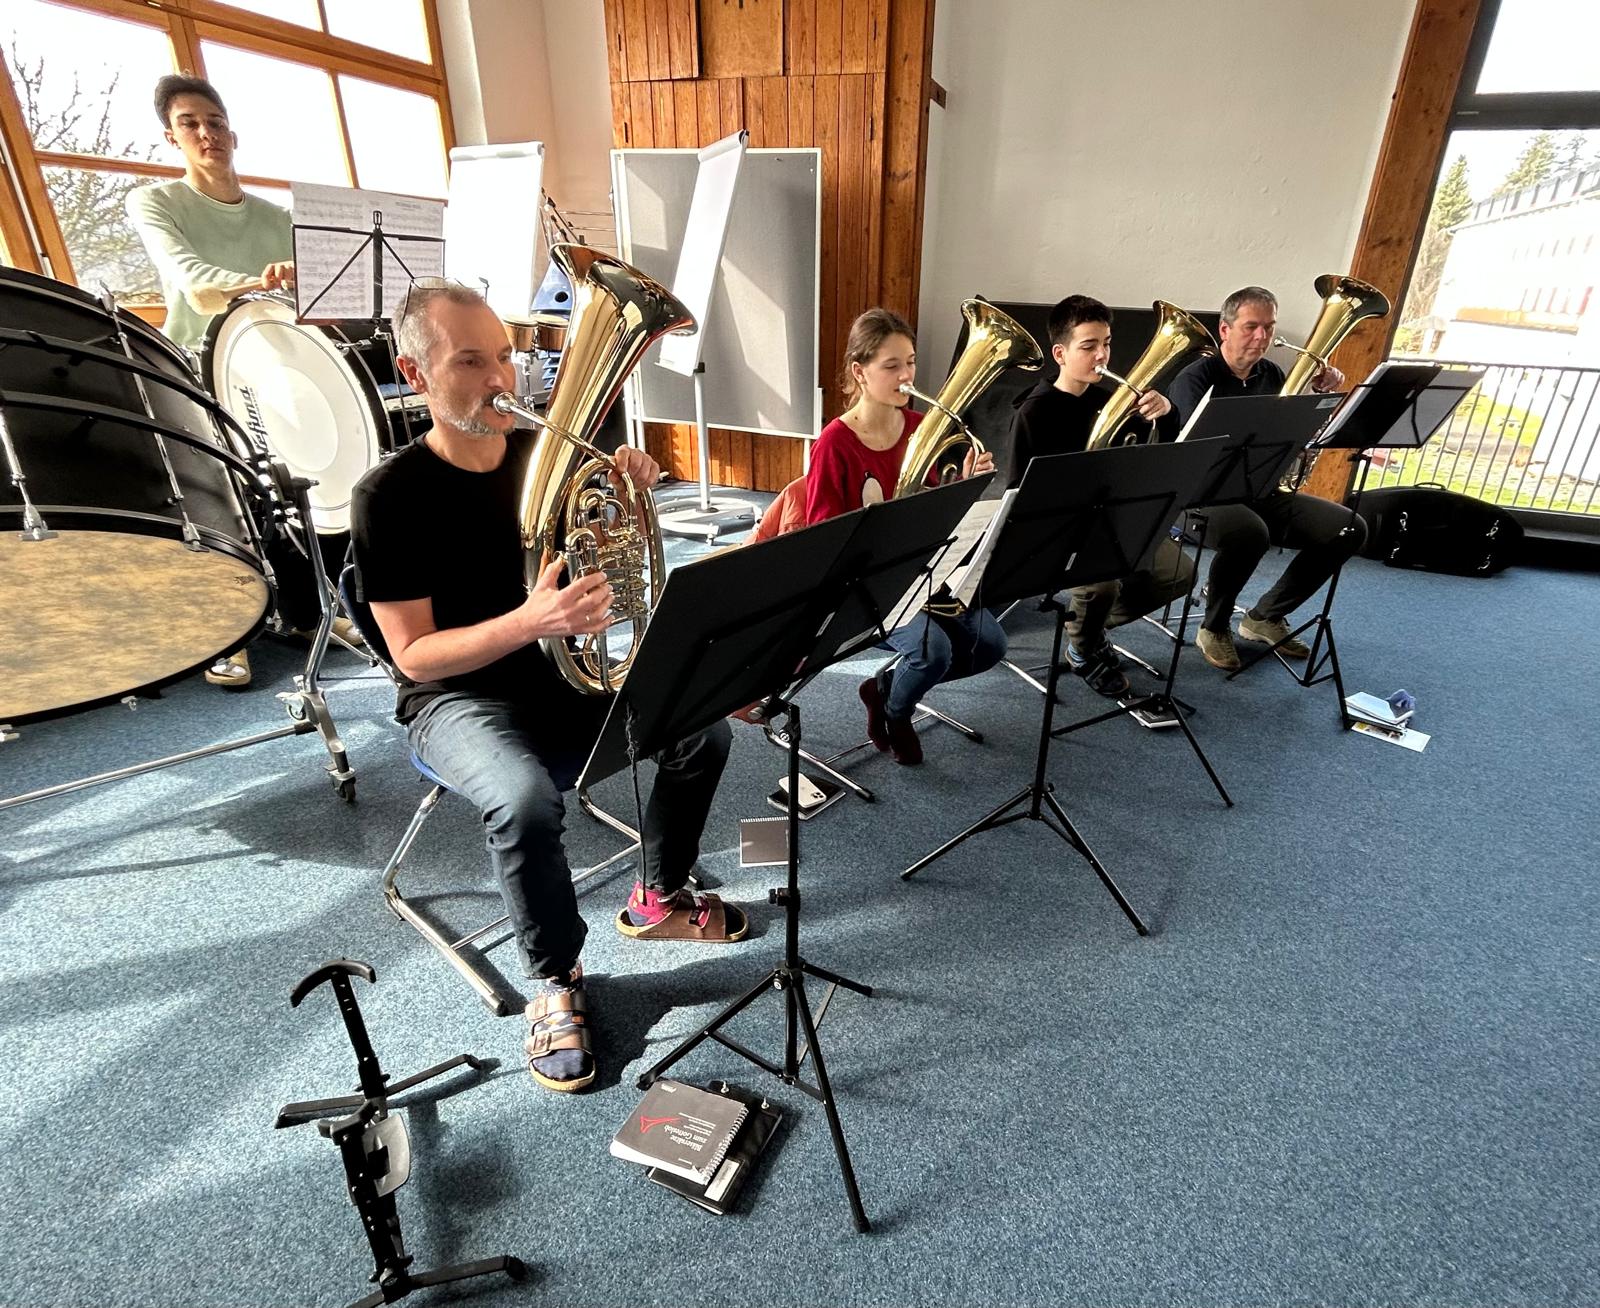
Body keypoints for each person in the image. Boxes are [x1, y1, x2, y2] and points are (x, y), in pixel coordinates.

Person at [350, 282, 744, 1094]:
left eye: (505, 357)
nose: (501, 380)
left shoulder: (550, 460)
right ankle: (557, 978)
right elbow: (413, 656)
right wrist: (529, 621)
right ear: (415, 374)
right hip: (455, 699)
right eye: (470, 362)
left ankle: (658, 897)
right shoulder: (388, 496)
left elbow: (607, 579)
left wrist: (629, 495)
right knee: (524, 801)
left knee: (704, 730)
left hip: (562, 672)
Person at [126, 75, 298, 690]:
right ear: (171, 137)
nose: (207, 133)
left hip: (272, 360)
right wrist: (263, 280)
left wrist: (298, 278)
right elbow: (195, 283)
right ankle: (229, 632)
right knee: (222, 496)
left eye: (216, 122)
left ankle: (308, 610)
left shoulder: (278, 217)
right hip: (193, 364)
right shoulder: (155, 202)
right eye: (190, 123)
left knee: (296, 486)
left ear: (233, 133)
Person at [803, 308, 1006, 765]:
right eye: (891, 365)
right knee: (933, 652)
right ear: (860, 371)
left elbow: (939, 512)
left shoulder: (920, 428)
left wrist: (965, 484)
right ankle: (897, 712)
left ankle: (886, 688)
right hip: (867, 584)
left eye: (910, 363)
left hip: (927, 572)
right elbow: (822, 535)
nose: (906, 376)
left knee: (990, 644)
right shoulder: (835, 443)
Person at [1166, 286, 1368, 671]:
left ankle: (1265, 616)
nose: (1262, 336)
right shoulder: (1195, 379)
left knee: (1349, 529)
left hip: (1258, 489)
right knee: (1250, 532)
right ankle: (1213, 626)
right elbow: (1194, 451)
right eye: (1251, 327)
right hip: (1198, 496)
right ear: (1225, 330)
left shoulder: (1272, 374)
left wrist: (1317, 397)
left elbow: (1289, 438)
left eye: (1269, 327)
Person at [1008, 295, 1196, 697]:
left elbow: (1157, 456)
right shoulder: (1034, 412)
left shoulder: (1110, 401)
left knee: (1179, 573)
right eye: (1089, 346)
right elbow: (1018, 491)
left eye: (1106, 344)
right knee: (1103, 587)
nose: (1102, 356)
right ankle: (1084, 648)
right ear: (1060, 354)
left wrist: (1167, 412)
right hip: (1066, 529)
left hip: (1116, 519)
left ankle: (1086, 629)